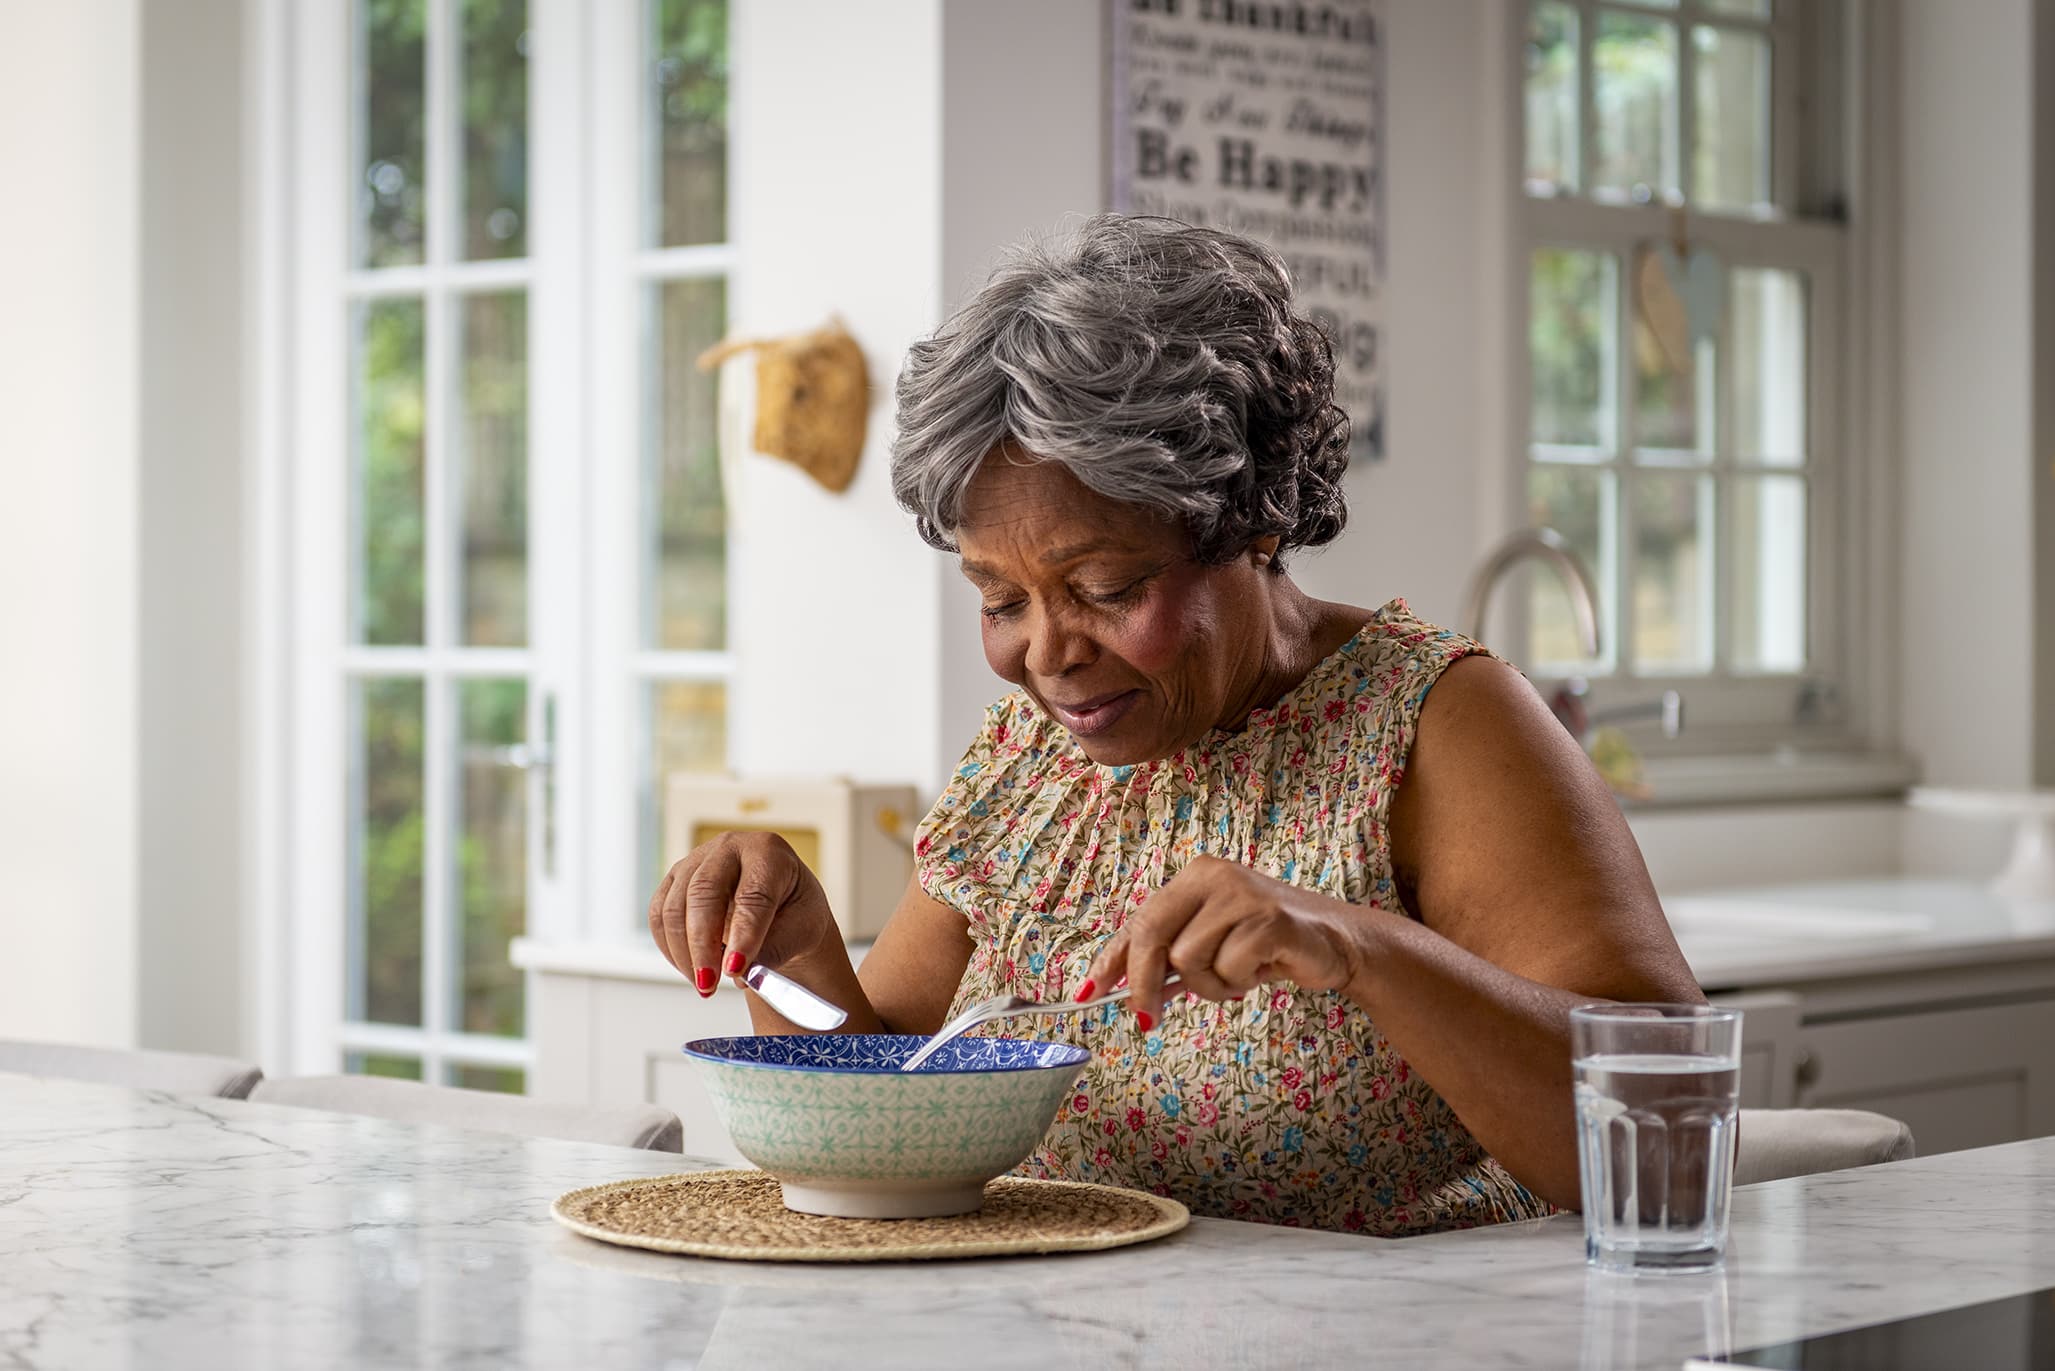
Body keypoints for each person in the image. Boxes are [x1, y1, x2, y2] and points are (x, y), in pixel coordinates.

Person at [648, 215, 1703, 1236]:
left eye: (1105, 586)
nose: (1048, 654)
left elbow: (1672, 1133)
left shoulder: (1435, 722)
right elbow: (886, 1125)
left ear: (1255, 519)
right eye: (1000, 601)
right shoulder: (1030, 760)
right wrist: (790, 958)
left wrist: (1366, 950)